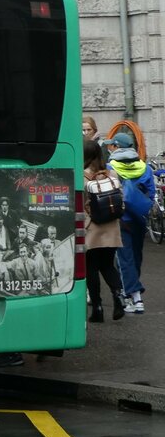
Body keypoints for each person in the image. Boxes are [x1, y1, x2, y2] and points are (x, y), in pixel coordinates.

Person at [108, 131, 155, 314]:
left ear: (117, 147)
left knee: (124, 258)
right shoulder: (145, 168)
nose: (110, 147)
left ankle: (134, 296)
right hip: (139, 218)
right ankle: (133, 292)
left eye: (112, 145)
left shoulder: (110, 167)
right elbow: (151, 194)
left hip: (121, 219)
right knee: (136, 257)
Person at [83, 137, 125, 322]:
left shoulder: (82, 176)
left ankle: (98, 308)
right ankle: (118, 297)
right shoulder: (111, 174)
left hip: (92, 228)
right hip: (112, 228)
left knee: (91, 268)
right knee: (108, 265)